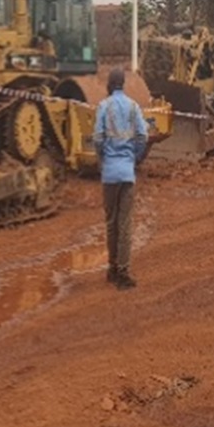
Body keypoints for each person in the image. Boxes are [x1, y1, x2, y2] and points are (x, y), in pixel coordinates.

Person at [93, 68, 148, 290]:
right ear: (123, 84)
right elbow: (143, 136)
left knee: (111, 222)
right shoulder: (134, 107)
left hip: (109, 174)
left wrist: (102, 159)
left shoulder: (103, 107)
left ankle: (111, 268)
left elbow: (97, 138)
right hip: (127, 173)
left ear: (109, 84)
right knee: (125, 224)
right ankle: (123, 272)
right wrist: (133, 157)